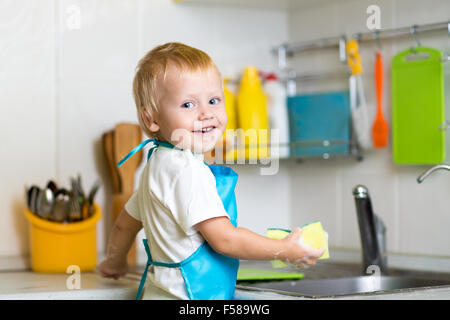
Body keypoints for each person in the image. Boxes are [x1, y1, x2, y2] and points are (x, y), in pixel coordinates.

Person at [98, 42, 325, 300]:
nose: (206, 113)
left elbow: (124, 225)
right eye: (188, 105)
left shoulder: (156, 165)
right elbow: (225, 240)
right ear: (152, 119)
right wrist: (283, 250)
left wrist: (114, 262)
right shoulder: (187, 170)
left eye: (214, 100)